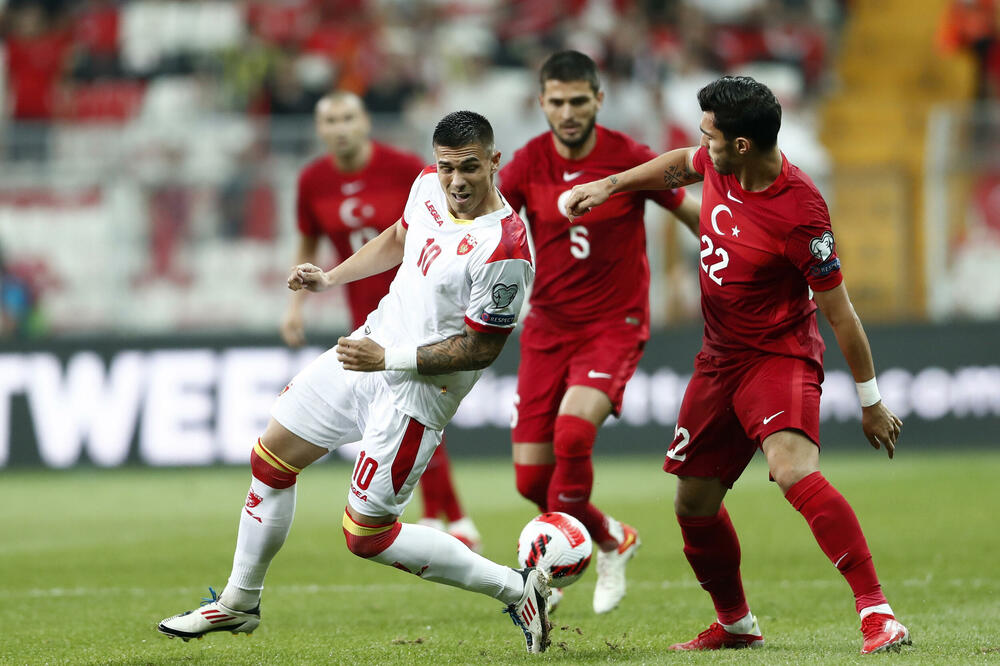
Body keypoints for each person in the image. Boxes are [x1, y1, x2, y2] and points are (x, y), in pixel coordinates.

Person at [159, 111, 552, 654]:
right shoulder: (425, 187)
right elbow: (397, 237)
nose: (456, 181)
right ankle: (238, 603)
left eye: (468, 168)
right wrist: (330, 278)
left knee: (365, 536)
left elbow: (481, 349)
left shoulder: (505, 248)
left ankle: (515, 586)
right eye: (446, 168)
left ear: (493, 162)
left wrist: (387, 357)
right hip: (368, 348)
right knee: (271, 456)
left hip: (418, 391)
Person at [565, 76, 911, 655]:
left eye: (710, 134)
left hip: (779, 354)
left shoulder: (802, 214)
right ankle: (735, 623)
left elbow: (842, 315)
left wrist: (871, 401)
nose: (703, 142)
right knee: (693, 505)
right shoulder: (722, 161)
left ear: (743, 144)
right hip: (718, 358)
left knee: (792, 469)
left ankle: (878, 613)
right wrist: (612, 185)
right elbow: (680, 162)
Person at [498, 50, 701, 615]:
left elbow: (688, 210)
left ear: (598, 100)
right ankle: (611, 536)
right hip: (546, 327)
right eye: (556, 102)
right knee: (530, 478)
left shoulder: (628, 158)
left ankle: (550, 575)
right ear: (541, 103)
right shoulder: (526, 164)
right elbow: (491, 223)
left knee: (571, 437)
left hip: (614, 324)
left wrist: (730, 247)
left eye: (578, 101)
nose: (567, 112)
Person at [284, 90, 482, 551]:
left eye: (348, 117)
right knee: (399, 413)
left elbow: (431, 229)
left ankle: (451, 517)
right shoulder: (313, 180)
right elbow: (308, 241)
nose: (340, 127)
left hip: (419, 307)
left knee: (417, 405)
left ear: (366, 121)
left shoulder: (404, 169)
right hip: (366, 314)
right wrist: (296, 305)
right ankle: (441, 515)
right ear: (319, 129)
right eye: (330, 119)